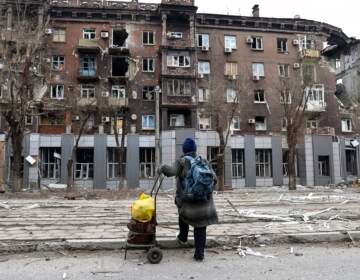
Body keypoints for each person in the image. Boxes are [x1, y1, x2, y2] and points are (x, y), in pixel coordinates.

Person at [158, 138, 218, 261]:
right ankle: (199, 254)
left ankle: (183, 238)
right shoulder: (203, 161)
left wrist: (162, 168)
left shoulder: (182, 161)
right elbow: (215, 179)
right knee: (200, 226)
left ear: (184, 150)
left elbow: (171, 172)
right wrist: (204, 191)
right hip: (204, 201)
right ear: (195, 149)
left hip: (189, 201)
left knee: (183, 215)